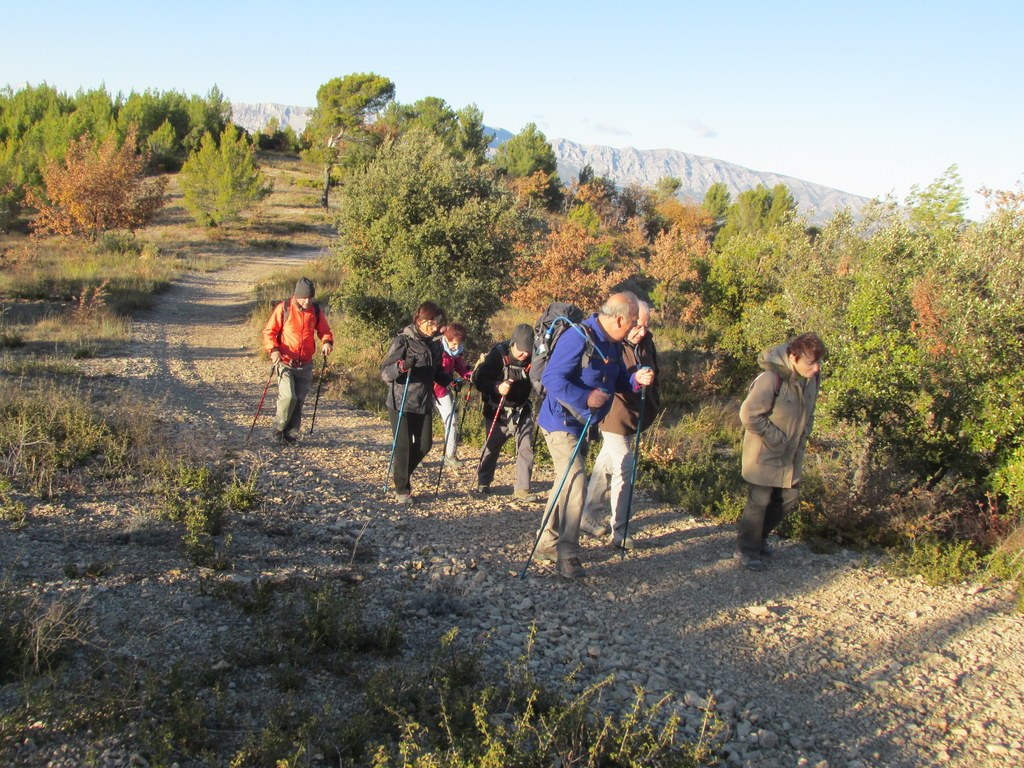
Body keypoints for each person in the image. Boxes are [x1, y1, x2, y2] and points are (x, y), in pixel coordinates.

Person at [536, 291, 656, 579]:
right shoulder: (578, 337)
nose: (635, 331)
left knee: (564, 484)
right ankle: (568, 554)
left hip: (583, 425)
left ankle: (544, 542)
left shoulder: (612, 344)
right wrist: (585, 397)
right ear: (618, 319)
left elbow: (614, 382)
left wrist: (634, 380)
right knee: (576, 481)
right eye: (633, 324)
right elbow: (551, 378)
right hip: (560, 422)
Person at [735, 332, 826, 571]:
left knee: (789, 498)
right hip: (764, 451)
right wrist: (777, 439)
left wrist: (802, 436)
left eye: (818, 362)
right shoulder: (771, 378)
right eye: (811, 363)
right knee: (760, 499)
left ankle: (759, 537)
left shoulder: (811, 379)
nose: (816, 368)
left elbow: (809, 412)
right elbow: (749, 414)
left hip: (791, 454)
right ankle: (748, 550)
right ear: (793, 357)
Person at [580, 300, 661, 549]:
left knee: (606, 462)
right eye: (637, 325)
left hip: (633, 415)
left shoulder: (646, 342)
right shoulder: (611, 342)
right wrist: (634, 378)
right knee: (626, 464)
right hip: (612, 413)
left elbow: (654, 370)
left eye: (646, 326)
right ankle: (620, 531)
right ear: (626, 319)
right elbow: (607, 379)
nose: (642, 331)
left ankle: (586, 514)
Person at [380, 302, 450, 504]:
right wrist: (402, 366)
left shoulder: (435, 342)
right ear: (419, 321)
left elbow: (435, 371)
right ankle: (402, 489)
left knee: (425, 445)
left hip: (423, 400)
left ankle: (400, 471)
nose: (435, 326)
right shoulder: (403, 340)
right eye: (431, 322)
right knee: (403, 446)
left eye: (437, 322)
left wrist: (449, 380)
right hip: (400, 400)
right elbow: (385, 373)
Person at [261, 277, 333, 444]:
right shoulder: (284, 308)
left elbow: (325, 331)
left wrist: (327, 342)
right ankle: (278, 430)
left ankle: (291, 435)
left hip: (305, 364)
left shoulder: (314, 311)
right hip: (285, 362)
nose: (307, 301)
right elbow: (269, 332)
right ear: (296, 295)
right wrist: (274, 350)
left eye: (310, 298)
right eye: (303, 298)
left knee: (299, 400)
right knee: (288, 397)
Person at [474, 323, 539, 502]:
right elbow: (480, 380)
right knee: (491, 447)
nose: (525, 354)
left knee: (525, 447)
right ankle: (483, 481)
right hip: (498, 409)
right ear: (513, 343)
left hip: (522, 409)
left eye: (528, 351)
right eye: (521, 350)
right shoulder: (498, 356)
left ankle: (522, 489)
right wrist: (496, 386)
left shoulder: (535, 358)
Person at [433, 323, 473, 467]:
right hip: (426, 389)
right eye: (454, 343)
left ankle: (449, 455)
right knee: (419, 423)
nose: (456, 347)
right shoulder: (435, 347)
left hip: (442, 390)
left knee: (451, 420)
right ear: (446, 338)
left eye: (459, 344)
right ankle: (412, 456)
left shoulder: (455, 351)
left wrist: (469, 375)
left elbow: (460, 366)